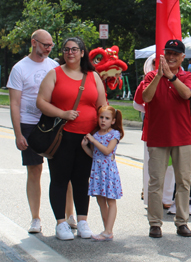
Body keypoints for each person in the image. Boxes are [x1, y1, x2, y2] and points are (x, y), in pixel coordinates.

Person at [37, 37, 107, 241]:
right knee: (59, 179)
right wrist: (62, 113)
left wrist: (106, 130)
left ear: (82, 52)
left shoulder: (93, 76)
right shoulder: (54, 74)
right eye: (66, 49)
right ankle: (61, 223)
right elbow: (41, 101)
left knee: (82, 180)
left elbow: (102, 105)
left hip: (87, 139)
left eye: (74, 49)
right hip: (62, 136)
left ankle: (83, 220)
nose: (70, 53)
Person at [7, 29, 77, 233]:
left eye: (51, 46)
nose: (48, 49)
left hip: (53, 123)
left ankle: (69, 214)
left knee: (64, 170)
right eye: (45, 45)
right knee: (34, 170)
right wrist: (18, 133)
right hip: (30, 124)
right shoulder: (19, 68)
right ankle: (35, 218)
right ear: (33, 43)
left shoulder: (54, 66)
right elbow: (14, 104)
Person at [142, 39, 191, 239]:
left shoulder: (186, 76)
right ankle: (155, 223)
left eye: (175, 54)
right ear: (162, 55)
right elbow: (146, 98)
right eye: (168, 53)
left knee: (183, 181)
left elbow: (187, 94)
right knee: (156, 182)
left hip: (182, 137)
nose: (171, 57)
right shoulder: (150, 76)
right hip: (158, 136)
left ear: (182, 57)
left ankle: (182, 222)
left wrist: (171, 77)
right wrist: (159, 76)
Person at [133, 54, 176, 209]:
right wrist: (150, 109)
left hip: (172, 130)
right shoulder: (147, 80)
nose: (156, 64)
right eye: (154, 62)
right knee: (151, 165)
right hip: (152, 129)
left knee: (170, 165)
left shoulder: (175, 78)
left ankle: (166, 198)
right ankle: (151, 196)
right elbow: (137, 103)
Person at [81, 105, 124, 241]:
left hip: (108, 171)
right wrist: (84, 146)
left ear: (112, 121)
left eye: (107, 118)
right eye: (101, 117)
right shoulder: (96, 134)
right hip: (97, 171)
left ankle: (108, 230)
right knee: (101, 201)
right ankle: (106, 229)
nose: (103, 121)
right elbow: (94, 155)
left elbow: (106, 151)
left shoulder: (114, 134)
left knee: (111, 200)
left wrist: (94, 141)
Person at [170, 87, 191, 216]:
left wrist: (184, 132)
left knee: (189, 175)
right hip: (178, 145)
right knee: (177, 174)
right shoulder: (179, 114)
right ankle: (176, 201)